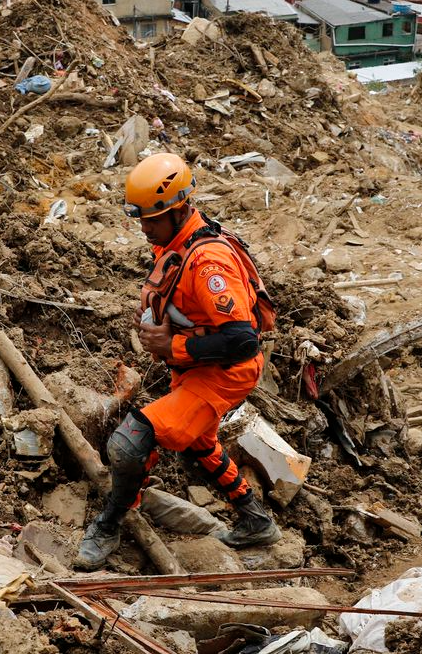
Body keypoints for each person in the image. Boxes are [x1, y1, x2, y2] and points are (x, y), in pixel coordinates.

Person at [75, 152, 281, 571]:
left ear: (182, 208)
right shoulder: (177, 241)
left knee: (130, 441)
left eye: (153, 218)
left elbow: (242, 340)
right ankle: (256, 521)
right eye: (142, 219)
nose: (144, 228)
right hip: (198, 369)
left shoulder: (209, 262)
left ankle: (109, 524)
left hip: (224, 373)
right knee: (199, 443)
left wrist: (175, 347)